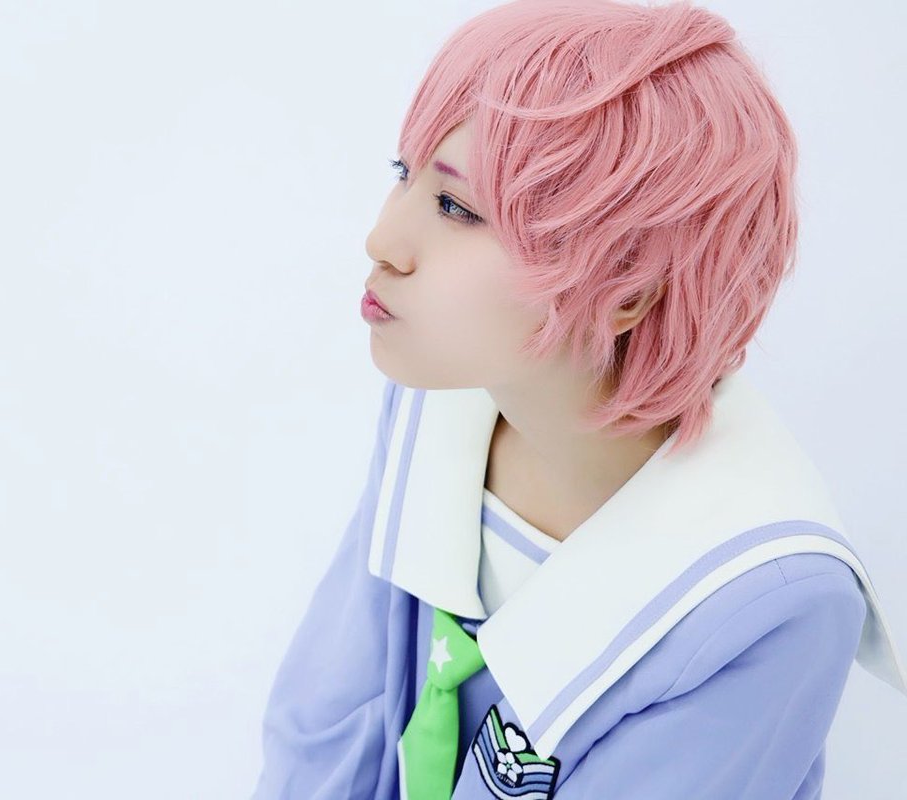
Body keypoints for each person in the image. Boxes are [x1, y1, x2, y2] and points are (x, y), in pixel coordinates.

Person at [251, 1, 907, 798]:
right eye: (404, 174)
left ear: (628, 289)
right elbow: (327, 721)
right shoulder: (446, 392)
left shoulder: (768, 599)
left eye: (456, 208)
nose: (382, 240)